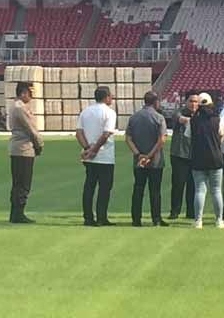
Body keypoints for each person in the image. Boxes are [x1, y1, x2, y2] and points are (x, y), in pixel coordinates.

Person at [125, 91, 169, 227]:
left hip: (138, 161)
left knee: (138, 189)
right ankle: (156, 219)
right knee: (155, 190)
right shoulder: (159, 117)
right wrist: (150, 155)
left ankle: (136, 219)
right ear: (156, 102)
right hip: (155, 161)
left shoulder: (134, 117)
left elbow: (128, 138)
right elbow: (162, 139)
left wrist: (139, 154)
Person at [76, 86, 117, 226]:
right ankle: (101, 217)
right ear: (106, 97)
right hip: (105, 156)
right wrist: (95, 150)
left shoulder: (85, 111)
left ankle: (88, 217)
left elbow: (79, 133)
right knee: (104, 188)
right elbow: (106, 134)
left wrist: (87, 148)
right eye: (110, 96)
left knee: (89, 187)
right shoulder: (109, 113)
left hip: (88, 156)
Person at [188, 92, 224, 229]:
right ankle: (219, 220)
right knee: (216, 190)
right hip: (215, 158)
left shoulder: (193, 120)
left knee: (199, 190)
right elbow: (222, 135)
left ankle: (198, 221)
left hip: (198, 158)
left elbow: (188, 137)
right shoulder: (218, 119)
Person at [7, 81, 43, 224]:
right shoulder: (20, 108)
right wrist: (39, 144)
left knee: (18, 183)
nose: (32, 96)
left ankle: (14, 213)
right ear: (23, 93)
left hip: (18, 148)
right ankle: (18, 214)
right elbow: (31, 129)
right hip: (24, 149)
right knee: (23, 183)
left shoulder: (16, 106)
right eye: (30, 93)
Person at [168, 94, 197, 220]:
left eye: (196, 101)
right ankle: (175, 211)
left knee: (193, 185)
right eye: (191, 101)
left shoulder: (201, 114)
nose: (194, 104)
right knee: (178, 185)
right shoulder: (179, 112)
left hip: (195, 155)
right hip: (179, 154)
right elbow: (180, 119)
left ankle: (191, 211)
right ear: (186, 102)